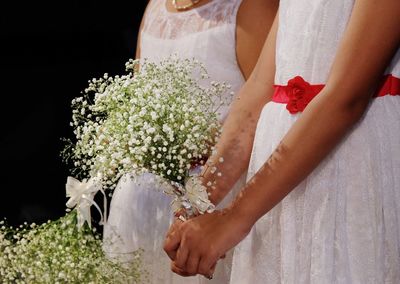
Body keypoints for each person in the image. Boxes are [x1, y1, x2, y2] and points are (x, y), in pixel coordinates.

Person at [163, 0, 400, 283]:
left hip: (350, 166)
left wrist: (235, 217)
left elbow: (346, 99)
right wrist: (199, 200)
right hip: (273, 189)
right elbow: (258, 93)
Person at [102, 0, 278, 283]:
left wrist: (194, 145)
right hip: (143, 197)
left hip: (214, 193)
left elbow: (265, 109)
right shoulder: (155, 8)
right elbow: (139, 95)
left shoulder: (250, 8)